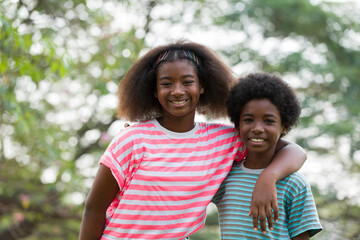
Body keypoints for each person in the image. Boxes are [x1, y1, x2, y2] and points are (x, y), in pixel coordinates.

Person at [79, 40, 307, 240]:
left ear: (202, 86)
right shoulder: (132, 140)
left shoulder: (224, 141)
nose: (177, 91)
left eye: (187, 82)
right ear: (154, 91)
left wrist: (269, 177)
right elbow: (94, 208)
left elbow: (294, 151)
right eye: (166, 83)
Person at [213, 72, 322, 239]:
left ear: (284, 127)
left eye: (269, 121)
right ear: (237, 125)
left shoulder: (294, 185)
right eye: (248, 120)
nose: (257, 128)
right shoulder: (224, 177)